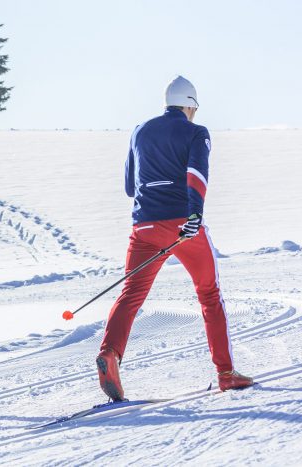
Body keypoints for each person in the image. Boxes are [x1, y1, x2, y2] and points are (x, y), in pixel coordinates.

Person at [96, 76, 254, 401]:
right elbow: (196, 173)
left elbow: (130, 186)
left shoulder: (139, 130)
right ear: (190, 106)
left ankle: (110, 354)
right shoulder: (197, 132)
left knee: (131, 294)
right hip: (183, 224)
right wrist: (194, 216)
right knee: (209, 294)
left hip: (143, 227)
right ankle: (225, 373)